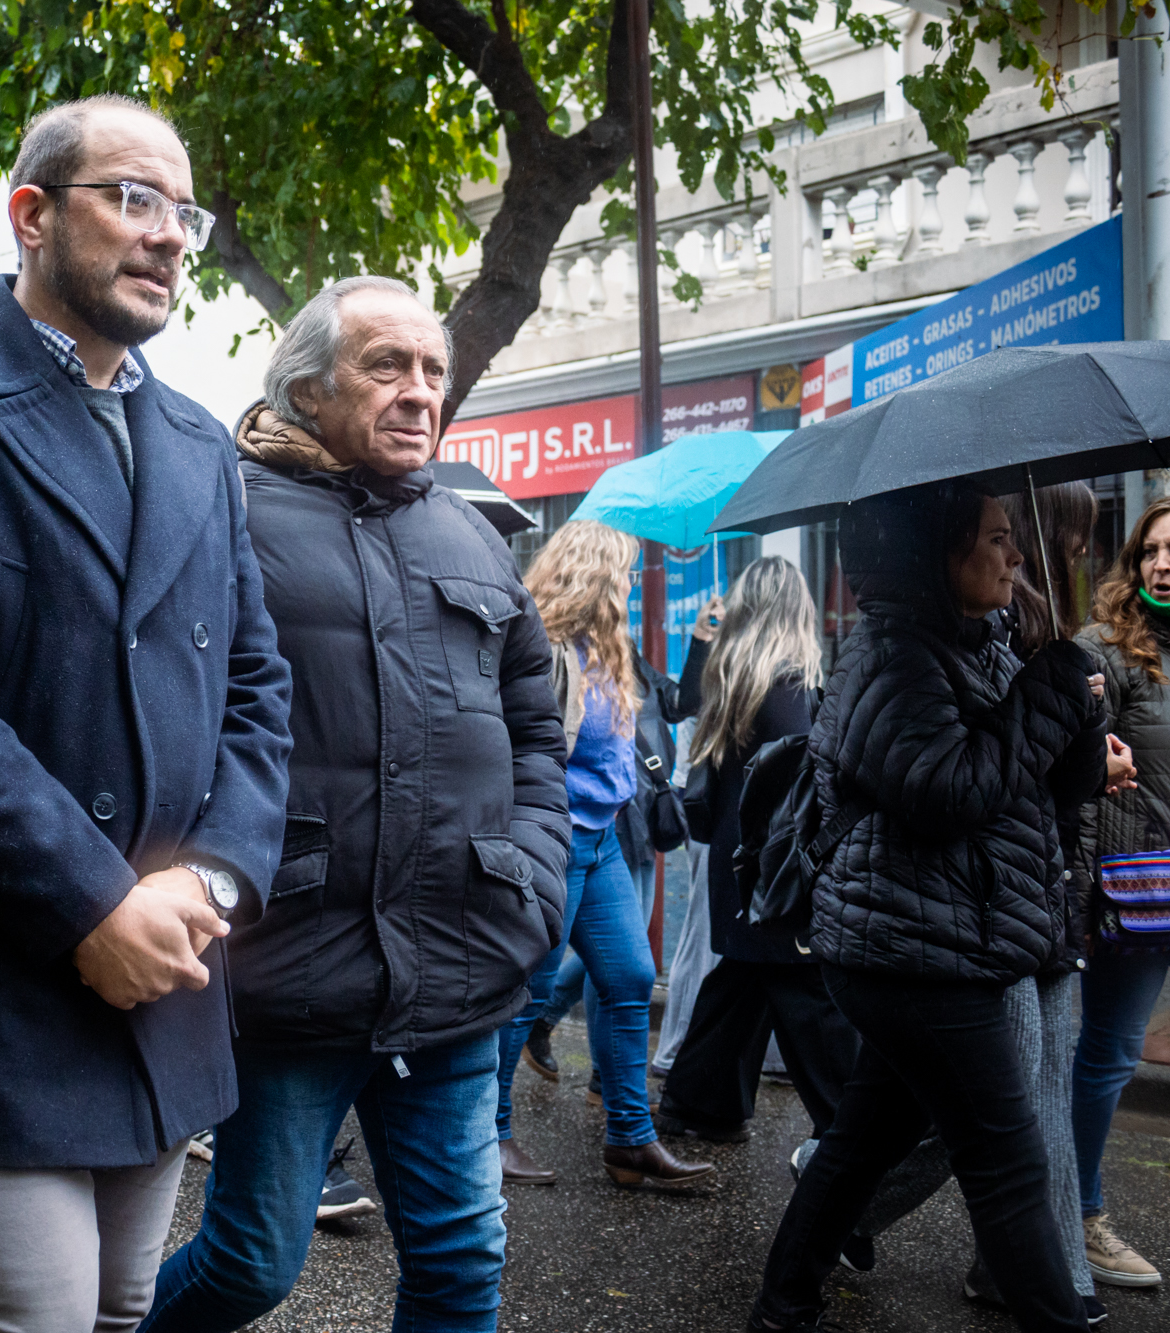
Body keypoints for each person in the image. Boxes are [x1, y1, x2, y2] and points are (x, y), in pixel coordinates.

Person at [0, 95, 294, 1333]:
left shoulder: (197, 439)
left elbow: (258, 686)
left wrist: (218, 883)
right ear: (30, 215)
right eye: (133, 200)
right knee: (32, 1317)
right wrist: (91, 903)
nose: (169, 237)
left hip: (168, 954)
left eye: (181, 212)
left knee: (119, 1310)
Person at [138, 275, 569, 1330]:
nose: (420, 391)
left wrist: (532, 878)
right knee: (250, 1263)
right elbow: (159, 712)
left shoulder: (468, 534)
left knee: (462, 1258)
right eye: (386, 366)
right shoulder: (217, 509)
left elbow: (533, 725)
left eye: (432, 369)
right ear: (305, 386)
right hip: (291, 969)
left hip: (459, 966)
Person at [749, 481, 1104, 1333]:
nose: (1016, 556)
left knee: (864, 1141)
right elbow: (947, 790)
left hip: (941, 935)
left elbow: (1055, 780)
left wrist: (1075, 703)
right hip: (910, 949)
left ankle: (783, 1303)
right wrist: (1048, 695)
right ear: (939, 552)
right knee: (1009, 1164)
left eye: (1014, 538)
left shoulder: (978, 640)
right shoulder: (890, 655)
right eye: (996, 538)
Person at [492, 520, 715, 1192]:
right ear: (592, 577)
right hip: (553, 843)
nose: (629, 584)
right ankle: (490, 1136)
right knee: (527, 989)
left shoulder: (610, 649)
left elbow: (671, 708)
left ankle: (630, 1140)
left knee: (627, 974)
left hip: (605, 840)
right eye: (621, 573)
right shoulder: (543, 648)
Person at [655, 558, 852, 1144]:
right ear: (796, 611)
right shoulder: (788, 684)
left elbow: (686, 704)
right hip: (776, 866)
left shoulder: (733, 673)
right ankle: (850, 1123)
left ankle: (698, 1105)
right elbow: (802, 786)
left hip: (738, 859)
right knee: (807, 991)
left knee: (740, 985)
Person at [1071, 494, 1170, 1293]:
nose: (1163, 563)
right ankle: (1077, 1214)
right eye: (1151, 551)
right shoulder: (1103, 652)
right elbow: (1062, 765)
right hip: (1127, 889)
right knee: (1106, 1054)